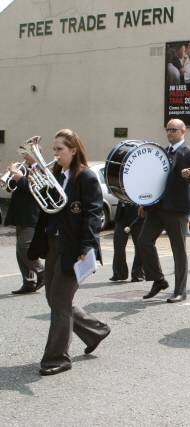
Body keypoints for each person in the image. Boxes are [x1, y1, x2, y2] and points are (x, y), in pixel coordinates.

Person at [28, 129, 111, 376]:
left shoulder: (85, 177)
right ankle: (95, 330)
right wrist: (34, 180)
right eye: (53, 150)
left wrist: (88, 246)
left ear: (73, 150)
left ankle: (57, 357)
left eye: (59, 150)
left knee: (60, 302)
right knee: (53, 299)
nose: (55, 154)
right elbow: (48, 208)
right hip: (54, 244)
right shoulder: (55, 173)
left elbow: (94, 213)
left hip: (74, 248)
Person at [139, 119, 190, 303]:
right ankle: (159, 280)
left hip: (177, 209)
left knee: (178, 250)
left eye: (173, 129)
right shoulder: (162, 152)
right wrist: (144, 202)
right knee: (144, 241)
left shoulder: (189, 152)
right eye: (167, 129)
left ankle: (180, 290)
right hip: (157, 207)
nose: (169, 132)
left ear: (183, 131)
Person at [3, 154, 45, 294]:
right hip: (20, 214)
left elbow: (36, 189)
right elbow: (11, 188)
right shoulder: (24, 169)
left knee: (24, 246)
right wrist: (10, 176)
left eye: (27, 154)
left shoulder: (40, 170)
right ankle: (28, 282)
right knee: (19, 251)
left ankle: (42, 272)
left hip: (32, 214)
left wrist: (20, 177)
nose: (24, 157)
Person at [110, 201, 144, 282]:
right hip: (122, 212)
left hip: (137, 212)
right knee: (118, 244)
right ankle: (119, 273)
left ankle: (137, 274)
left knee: (139, 245)